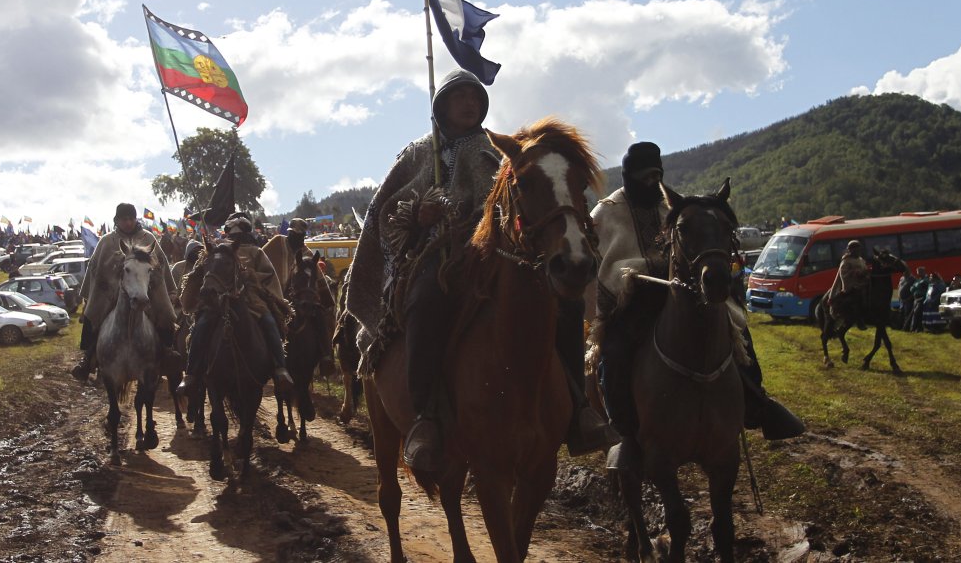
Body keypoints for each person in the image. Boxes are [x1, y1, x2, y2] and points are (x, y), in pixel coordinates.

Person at [345, 69, 615, 473]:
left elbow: (523, 203)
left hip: (494, 251)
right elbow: (383, 212)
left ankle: (577, 408)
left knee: (566, 305)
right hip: (434, 255)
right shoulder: (418, 153)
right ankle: (424, 418)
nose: (469, 104)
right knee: (425, 301)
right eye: (460, 98)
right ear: (443, 106)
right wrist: (418, 213)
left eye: (475, 98)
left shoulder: (496, 154)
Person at [593, 142, 804, 473]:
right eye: (645, 175)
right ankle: (626, 436)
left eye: (656, 175)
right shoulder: (607, 211)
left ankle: (757, 402)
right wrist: (632, 276)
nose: (651, 181)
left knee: (735, 326)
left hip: (680, 293)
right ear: (630, 175)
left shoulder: (672, 209)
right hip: (633, 299)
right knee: (615, 350)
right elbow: (602, 260)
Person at [177, 213, 295, 395]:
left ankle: (280, 368)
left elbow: (268, 275)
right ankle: (191, 374)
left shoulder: (257, 252)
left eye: (239, 233)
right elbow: (204, 273)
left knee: (270, 323)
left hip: (252, 301)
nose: (235, 237)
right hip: (219, 301)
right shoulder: (217, 250)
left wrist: (250, 276)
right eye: (232, 233)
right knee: (200, 326)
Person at [71, 203, 178, 381]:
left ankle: (167, 350)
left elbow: (161, 265)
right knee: (93, 315)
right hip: (112, 295)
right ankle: (87, 357)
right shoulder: (107, 241)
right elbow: (95, 267)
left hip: (146, 294)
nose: (128, 222)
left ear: (135, 219)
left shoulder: (148, 238)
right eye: (124, 219)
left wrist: (153, 286)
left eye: (131, 218)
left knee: (165, 314)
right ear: (117, 220)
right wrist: (99, 291)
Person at [826, 240, 869, 330]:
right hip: (852, 286)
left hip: (863, 283)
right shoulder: (846, 261)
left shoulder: (861, 259)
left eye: (859, 249)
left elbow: (865, 269)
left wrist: (867, 272)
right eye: (855, 249)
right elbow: (843, 274)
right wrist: (855, 273)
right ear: (851, 250)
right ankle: (858, 319)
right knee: (858, 298)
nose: (858, 251)